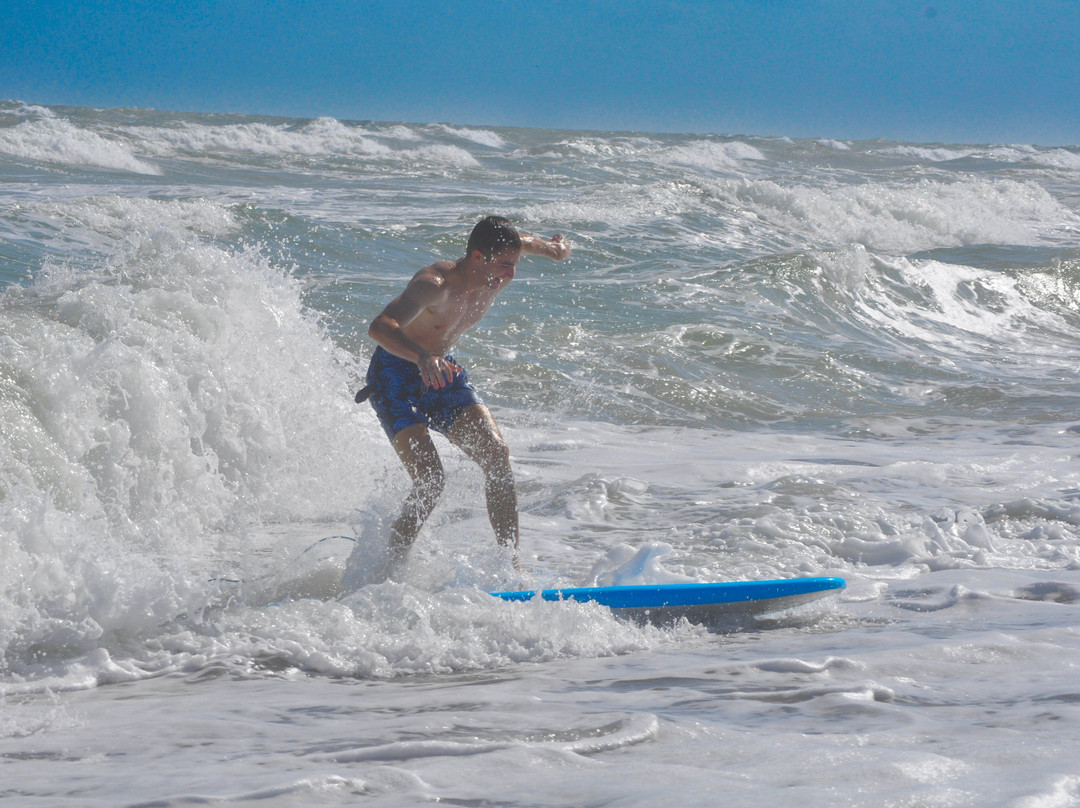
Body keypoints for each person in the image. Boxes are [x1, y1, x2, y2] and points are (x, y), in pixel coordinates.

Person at [355, 216, 570, 575]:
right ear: (477, 257)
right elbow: (380, 326)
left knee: (496, 456)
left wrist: (555, 249)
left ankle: (509, 568)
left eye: (514, 264)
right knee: (430, 480)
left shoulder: (497, 269)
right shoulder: (434, 285)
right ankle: (386, 570)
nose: (511, 274)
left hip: (442, 370)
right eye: (504, 265)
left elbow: (524, 242)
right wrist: (422, 358)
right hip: (395, 374)